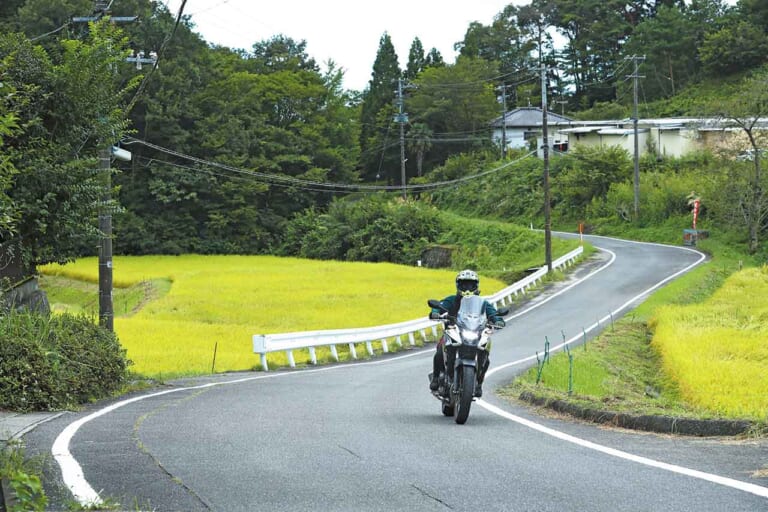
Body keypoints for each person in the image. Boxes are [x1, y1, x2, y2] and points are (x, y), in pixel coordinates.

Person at [428, 269, 505, 398]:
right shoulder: (451, 299)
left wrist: (498, 320)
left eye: (470, 284)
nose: (467, 288)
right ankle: (436, 378)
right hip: (453, 330)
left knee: (485, 353)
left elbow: (493, 313)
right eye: (464, 284)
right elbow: (439, 306)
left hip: (475, 332)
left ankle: (479, 382)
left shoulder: (482, 303)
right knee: (440, 349)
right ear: (458, 285)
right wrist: (435, 312)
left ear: (476, 285)